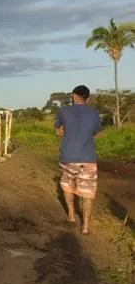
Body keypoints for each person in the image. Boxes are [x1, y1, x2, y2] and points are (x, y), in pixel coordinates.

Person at [54, 85, 102, 235]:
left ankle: (71, 215)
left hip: (67, 157)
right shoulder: (94, 114)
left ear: (73, 96)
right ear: (87, 98)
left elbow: (59, 131)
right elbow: (95, 132)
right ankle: (86, 226)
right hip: (87, 159)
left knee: (68, 186)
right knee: (88, 193)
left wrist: (62, 131)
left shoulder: (63, 111)